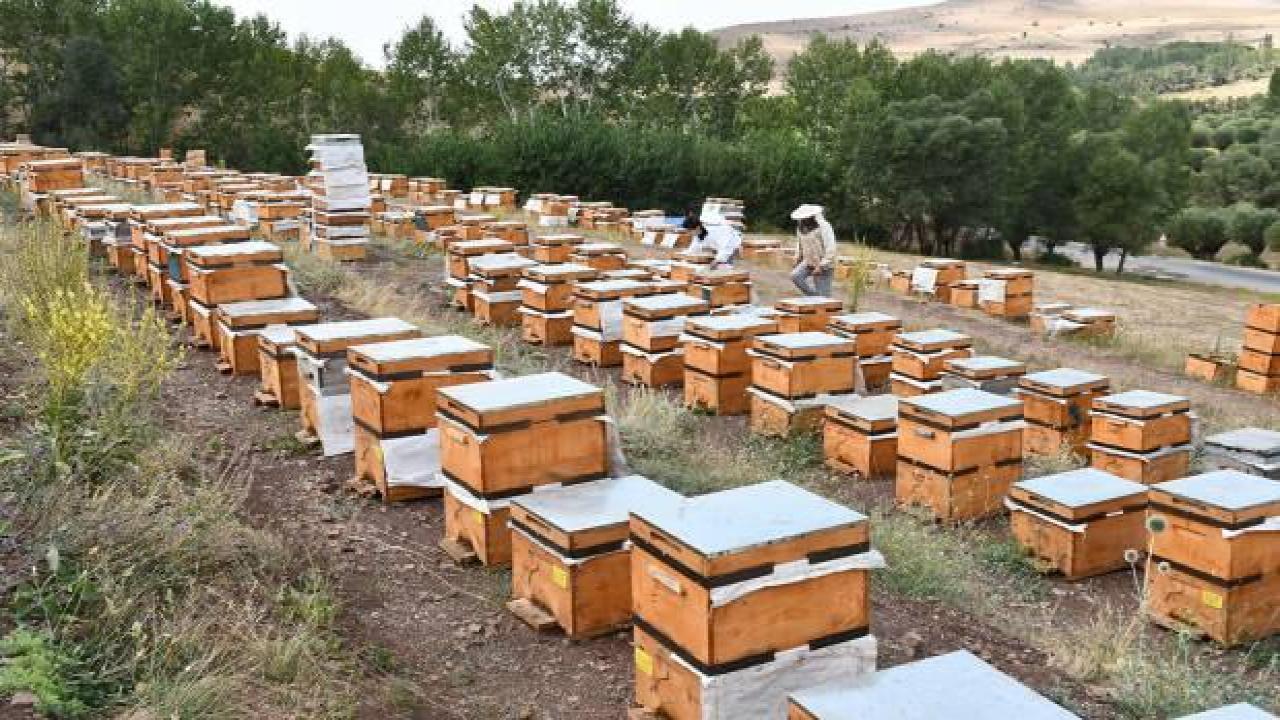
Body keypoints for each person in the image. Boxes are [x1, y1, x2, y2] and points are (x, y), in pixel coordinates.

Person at [789, 204, 836, 296]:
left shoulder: (824, 226)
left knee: (824, 297)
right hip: (808, 261)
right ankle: (813, 296)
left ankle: (819, 299)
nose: (802, 219)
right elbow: (799, 243)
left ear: (811, 216)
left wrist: (821, 266)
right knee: (796, 276)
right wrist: (797, 257)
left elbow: (831, 248)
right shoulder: (800, 227)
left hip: (824, 265)